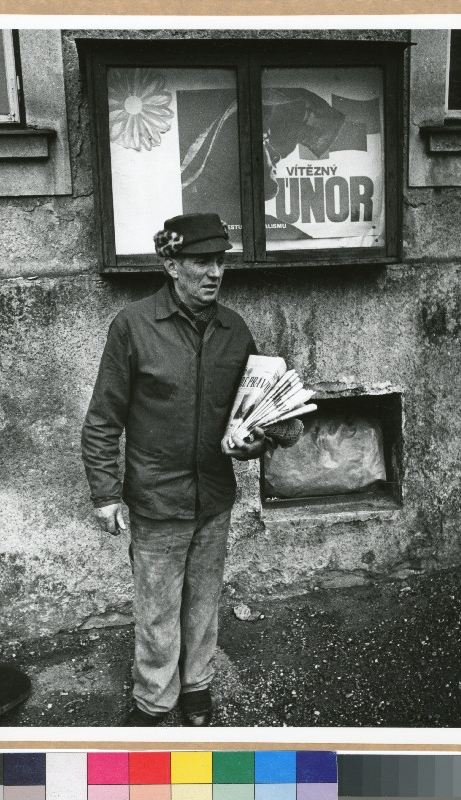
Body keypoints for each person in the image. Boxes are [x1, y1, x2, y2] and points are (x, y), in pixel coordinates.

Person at [81, 212, 300, 728]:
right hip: (157, 498)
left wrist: (254, 441)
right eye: (201, 262)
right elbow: (102, 419)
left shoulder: (233, 330)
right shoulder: (133, 327)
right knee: (157, 610)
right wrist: (104, 493)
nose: (214, 273)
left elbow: (252, 414)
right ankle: (154, 699)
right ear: (170, 264)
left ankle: (197, 687)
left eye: (220, 261)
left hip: (214, 496)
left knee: (203, 603)